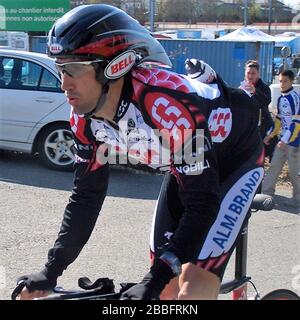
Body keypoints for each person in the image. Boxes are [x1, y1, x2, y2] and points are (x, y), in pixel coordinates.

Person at [15, 4, 264, 300]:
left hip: (236, 160)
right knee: (161, 289)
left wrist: (155, 279)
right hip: (188, 167)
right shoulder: (83, 119)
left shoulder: (165, 105)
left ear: (115, 66)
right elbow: (86, 197)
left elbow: (203, 204)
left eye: (73, 70)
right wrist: (51, 270)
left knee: (190, 289)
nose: (64, 84)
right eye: (60, 69)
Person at [262, 70, 300, 209]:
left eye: (285, 81)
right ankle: (266, 193)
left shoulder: (295, 98)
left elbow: (297, 123)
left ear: (291, 81)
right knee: (273, 167)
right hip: (281, 141)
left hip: (294, 142)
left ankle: (297, 198)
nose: (282, 84)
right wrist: (271, 135)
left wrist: (286, 139)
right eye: (280, 81)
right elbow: (279, 119)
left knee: (294, 172)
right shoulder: (280, 98)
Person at [239, 60, 276, 163]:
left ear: (258, 74)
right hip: (248, 128)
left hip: (264, 128)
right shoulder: (241, 88)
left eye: (253, 73)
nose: (250, 76)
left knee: (264, 156)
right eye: (248, 73)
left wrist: (255, 91)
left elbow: (266, 101)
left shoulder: (264, 87)